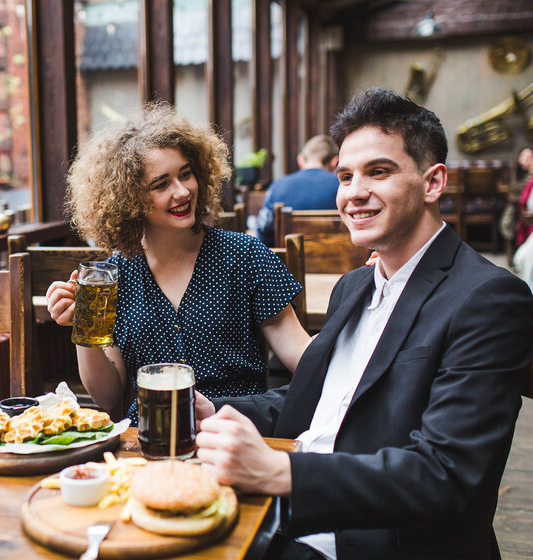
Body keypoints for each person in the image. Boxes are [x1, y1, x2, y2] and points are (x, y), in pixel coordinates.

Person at [195, 88, 533, 560]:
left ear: (433, 182)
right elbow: (322, 401)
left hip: (379, 541)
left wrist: (279, 472)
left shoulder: (489, 297)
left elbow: (447, 473)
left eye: (379, 171)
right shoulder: (352, 287)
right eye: (346, 176)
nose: (354, 193)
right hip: (293, 519)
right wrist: (214, 410)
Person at [45, 102, 311, 422]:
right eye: (161, 184)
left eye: (186, 174)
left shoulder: (246, 256)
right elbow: (109, 399)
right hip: (149, 436)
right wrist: (83, 329)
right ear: (129, 200)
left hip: (232, 429)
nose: (183, 191)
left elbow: (301, 354)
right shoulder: (111, 279)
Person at [255, 135, 340, 246]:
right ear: (335, 161)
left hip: (287, 262)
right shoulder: (343, 186)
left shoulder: (278, 186)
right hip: (343, 261)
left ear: (300, 160)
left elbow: (263, 230)